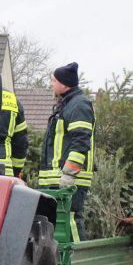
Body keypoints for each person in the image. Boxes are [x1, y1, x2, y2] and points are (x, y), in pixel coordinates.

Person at [39, 62, 94, 239]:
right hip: (60, 176)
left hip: (71, 178)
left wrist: (69, 173)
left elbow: (81, 141)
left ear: (64, 84)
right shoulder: (69, 104)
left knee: (71, 219)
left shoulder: (78, 105)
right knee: (63, 220)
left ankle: (78, 260)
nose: (51, 84)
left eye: (54, 80)